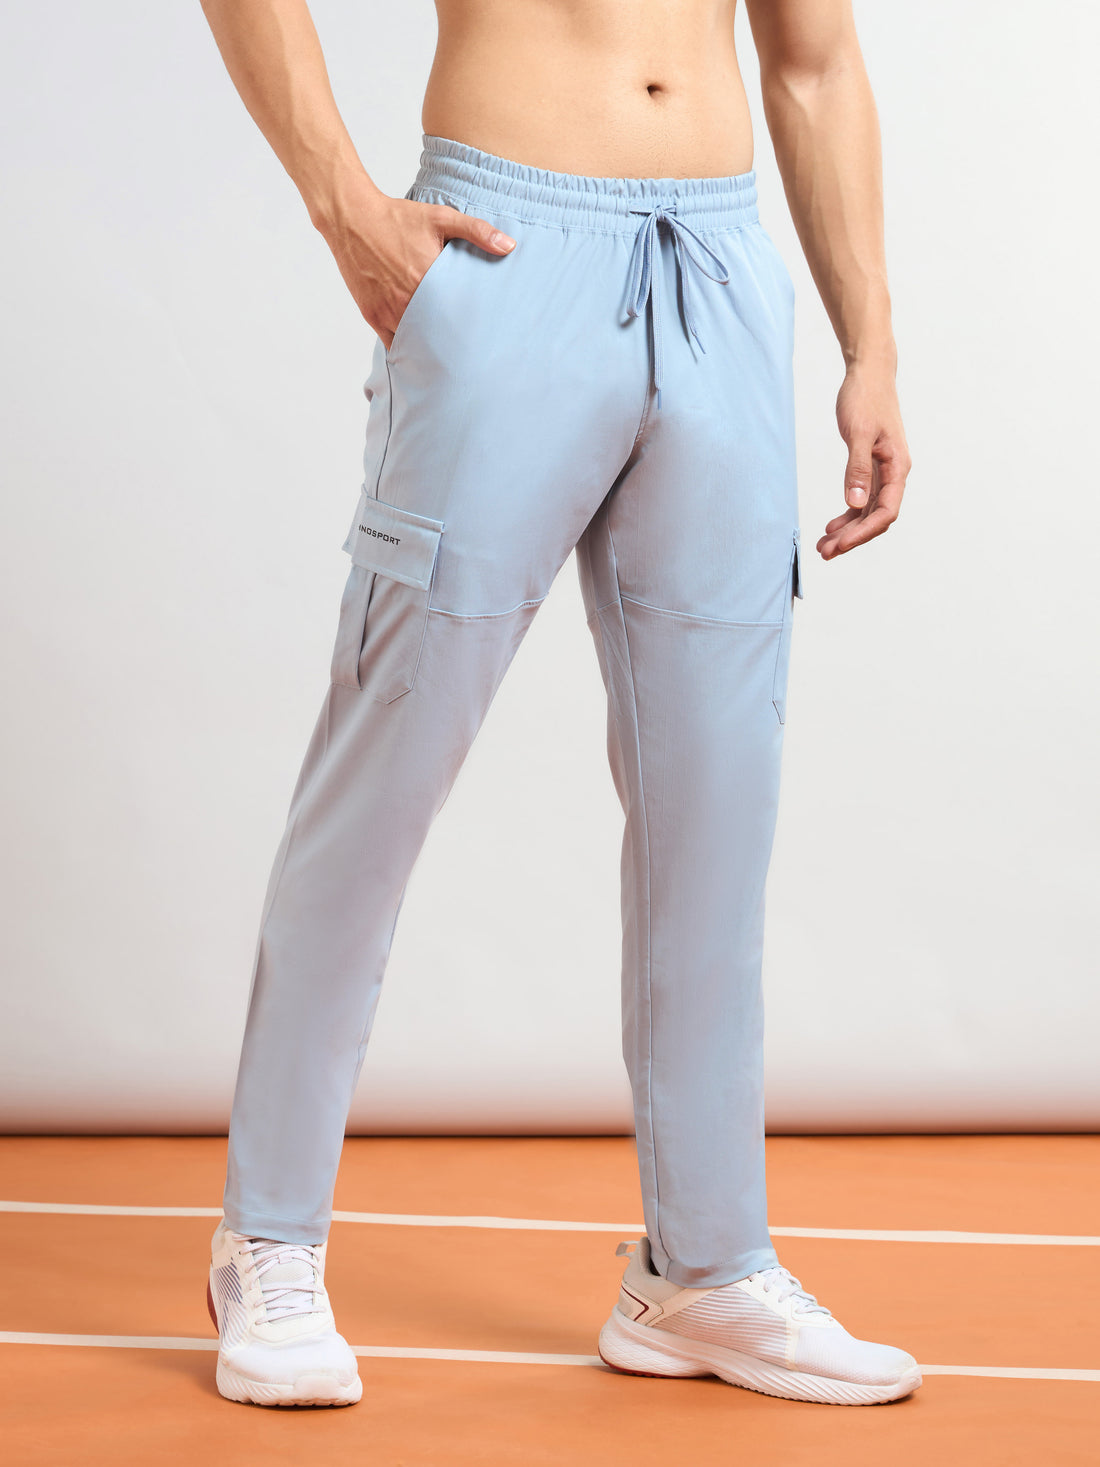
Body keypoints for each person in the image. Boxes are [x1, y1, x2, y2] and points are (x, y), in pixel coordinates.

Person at [197, 0, 916, 1410]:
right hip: (504, 253)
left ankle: (702, 1270)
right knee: (384, 774)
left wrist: (870, 342)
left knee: (719, 804)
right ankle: (266, 1240)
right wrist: (345, 205)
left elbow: (815, 58)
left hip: (720, 267)